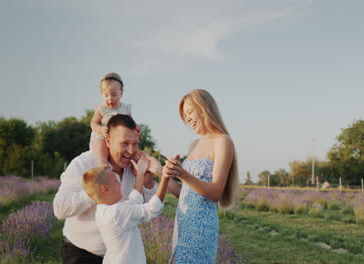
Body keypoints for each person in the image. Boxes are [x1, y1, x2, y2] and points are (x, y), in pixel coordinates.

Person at [53, 114, 162, 264]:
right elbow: (59, 209)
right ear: (108, 141)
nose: (131, 151)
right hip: (80, 253)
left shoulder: (137, 169)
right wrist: (96, 192)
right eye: (124, 143)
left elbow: (150, 209)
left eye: (135, 143)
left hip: (119, 257)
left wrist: (148, 182)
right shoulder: (84, 163)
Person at [163, 89, 239, 264]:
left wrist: (183, 173)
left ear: (204, 108)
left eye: (189, 112)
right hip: (182, 223)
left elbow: (215, 193)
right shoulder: (194, 145)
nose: (187, 119)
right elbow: (185, 192)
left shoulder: (223, 141)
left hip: (201, 227)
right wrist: (161, 173)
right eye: (185, 115)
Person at [82, 159, 170, 264]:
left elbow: (134, 200)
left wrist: (140, 174)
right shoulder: (116, 213)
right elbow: (152, 209)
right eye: (115, 181)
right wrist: (165, 177)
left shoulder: (104, 211)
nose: (119, 183)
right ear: (105, 189)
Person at [90, 73, 140, 166]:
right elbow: (93, 123)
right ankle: (104, 168)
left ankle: (138, 170)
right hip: (102, 136)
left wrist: (136, 127)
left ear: (121, 93)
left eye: (114, 95)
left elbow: (131, 122)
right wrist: (100, 129)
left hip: (120, 139)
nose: (110, 99)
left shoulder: (125, 108)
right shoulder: (102, 108)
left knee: (134, 153)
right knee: (101, 154)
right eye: (106, 95)